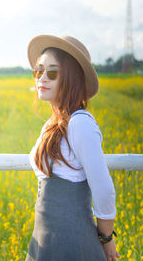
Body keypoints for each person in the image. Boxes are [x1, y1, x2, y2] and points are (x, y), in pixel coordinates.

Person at [25, 35, 120, 261]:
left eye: (53, 72)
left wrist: (107, 240)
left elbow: (104, 189)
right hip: (44, 240)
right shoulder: (51, 125)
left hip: (71, 243)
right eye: (38, 71)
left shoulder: (80, 123)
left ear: (71, 78)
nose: (42, 78)